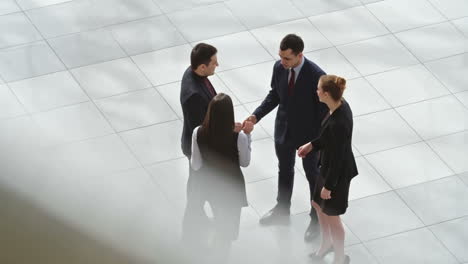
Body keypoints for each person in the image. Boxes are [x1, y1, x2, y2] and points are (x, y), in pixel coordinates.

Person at [245, 34, 327, 241]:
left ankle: (317, 219)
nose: (282, 62)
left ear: (300, 55)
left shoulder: (317, 76)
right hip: (284, 129)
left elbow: (323, 113)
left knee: (312, 175)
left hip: (308, 136)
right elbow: (275, 94)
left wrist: (316, 142)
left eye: (287, 59)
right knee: (284, 169)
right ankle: (282, 209)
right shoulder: (279, 68)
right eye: (281, 57)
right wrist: (256, 116)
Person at [297, 75, 358, 264]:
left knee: (332, 216)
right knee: (317, 205)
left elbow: (338, 158)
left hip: (336, 174)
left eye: (318, 89)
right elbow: (327, 137)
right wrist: (312, 145)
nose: (316, 92)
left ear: (325, 93)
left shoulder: (339, 122)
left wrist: (329, 187)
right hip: (328, 167)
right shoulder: (338, 106)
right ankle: (326, 244)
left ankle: (340, 258)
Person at [191, 93, 254, 263]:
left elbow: (196, 164)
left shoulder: (198, 132)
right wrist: (247, 135)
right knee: (228, 230)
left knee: (219, 220)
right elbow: (245, 162)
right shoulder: (238, 137)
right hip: (232, 188)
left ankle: (216, 248)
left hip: (211, 187)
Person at [180, 43, 221, 242]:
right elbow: (203, 130)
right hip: (199, 148)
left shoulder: (193, 73)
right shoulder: (194, 95)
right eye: (214, 62)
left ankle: (197, 217)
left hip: (194, 143)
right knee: (200, 185)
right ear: (202, 67)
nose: (217, 65)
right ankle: (191, 228)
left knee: (195, 182)